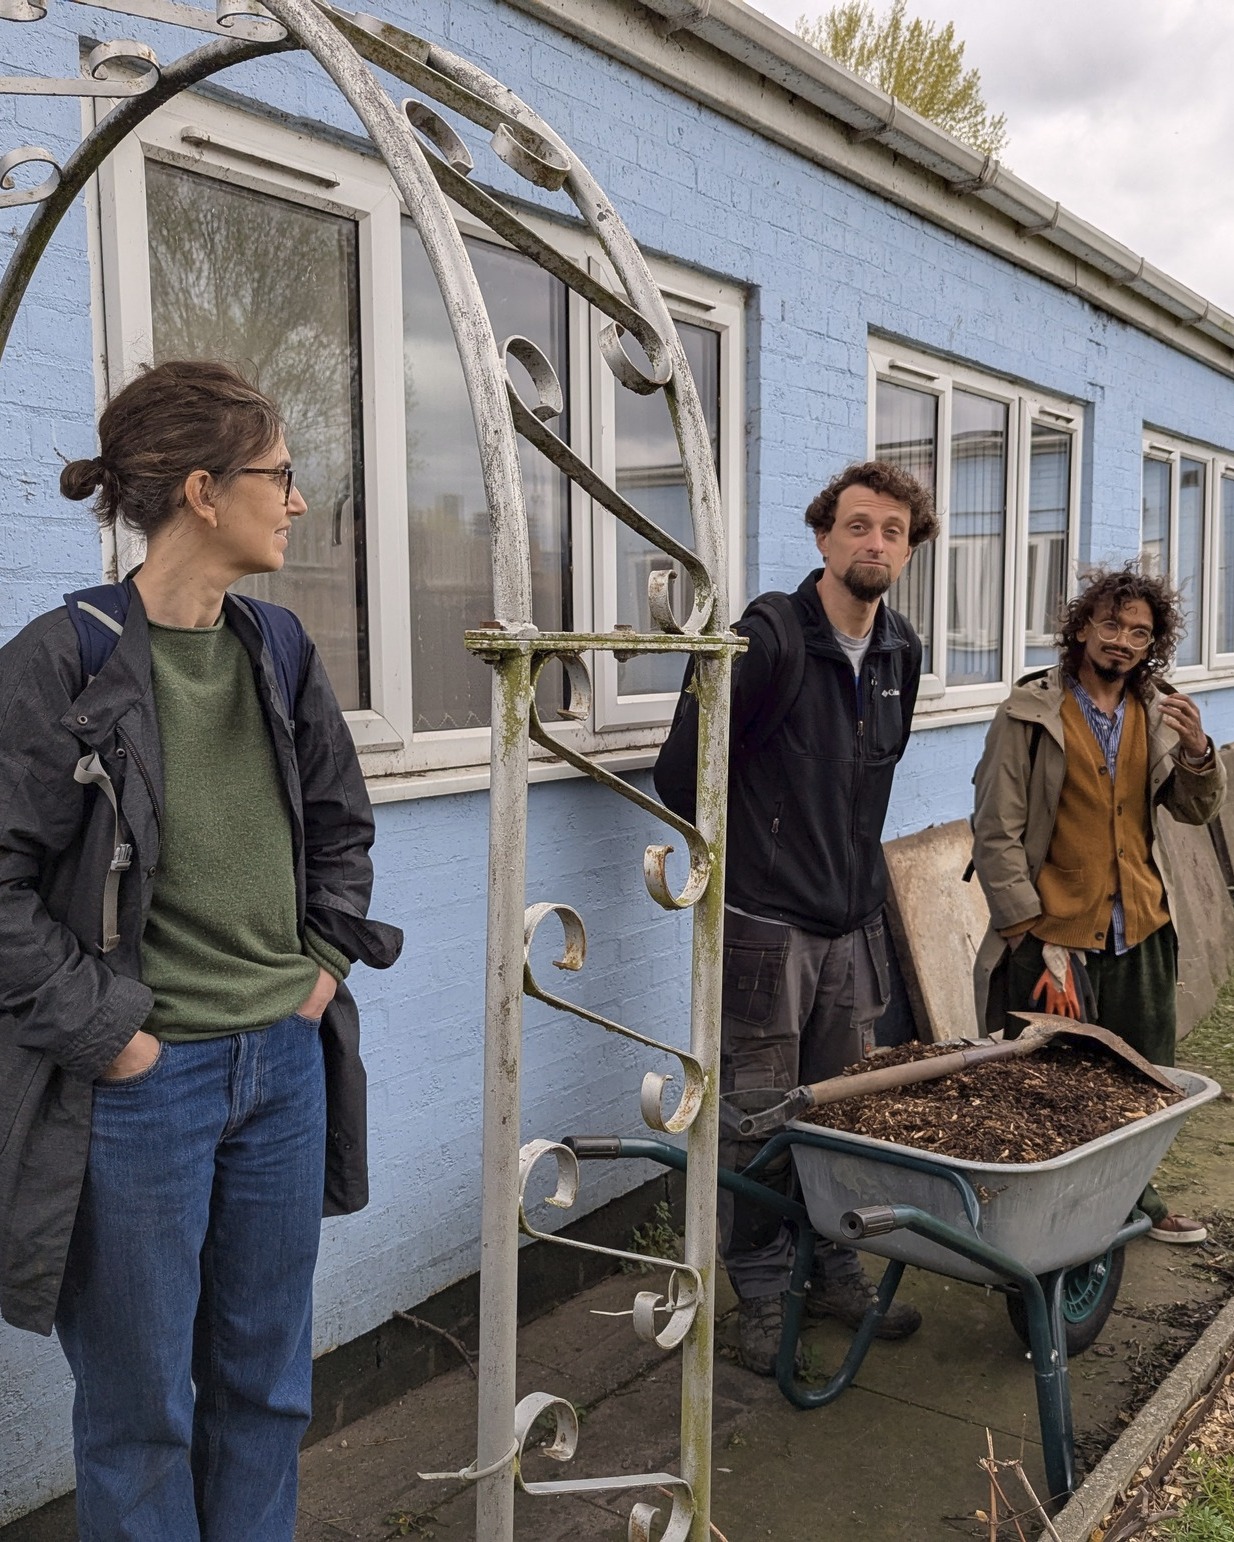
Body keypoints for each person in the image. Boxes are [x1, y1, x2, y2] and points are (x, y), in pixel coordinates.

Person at [0, 361, 402, 1540]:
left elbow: (342, 826)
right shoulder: (59, 660)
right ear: (200, 491)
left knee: (266, 1390)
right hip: (140, 1090)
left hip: (280, 1071)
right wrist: (111, 1035)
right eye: (279, 475)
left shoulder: (278, 650)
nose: (296, 501)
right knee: (139, 1415)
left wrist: (320, 965)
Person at [654, 460, 939, 1374]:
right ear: (823, 536)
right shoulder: (769, 636)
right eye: (859, 526)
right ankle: (763, 1295)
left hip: (853, 925)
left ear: (908, 548)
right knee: (755, 1117)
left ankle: (834, 1271)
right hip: (767, 928)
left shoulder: (901, 650)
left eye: (893, 531)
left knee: (840, 1115)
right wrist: (754, 857)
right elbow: (681, 771)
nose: (876, 543)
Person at [971, 565, 1225, 1244]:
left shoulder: (1157, 714)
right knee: (1049, 1086)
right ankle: (1041, 1219)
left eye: (1139, 632)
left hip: (1140, 930)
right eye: (1111, 624)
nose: (1122, 640)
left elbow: (1196, 810)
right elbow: (996, 829)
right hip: (1055, 938)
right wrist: (1030, 929)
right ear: (1082, 627)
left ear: (1151, 646)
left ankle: (1137, 1199)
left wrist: (1200, 750)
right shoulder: (1029, 714)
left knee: (1144, 1076)